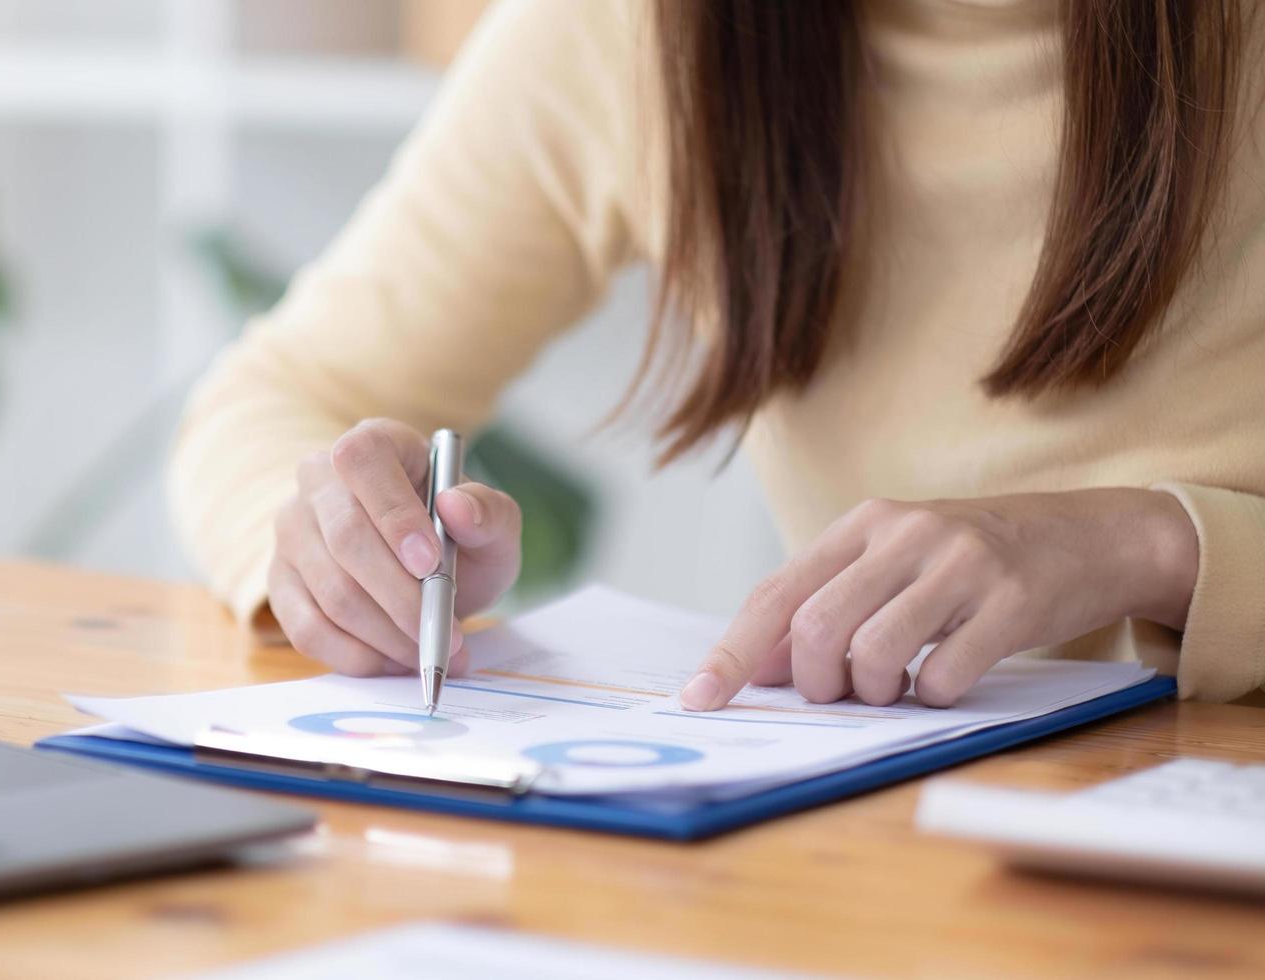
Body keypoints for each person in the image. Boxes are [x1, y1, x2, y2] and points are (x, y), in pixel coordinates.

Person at [168, 0, 1265, 709]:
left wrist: (1157, 545)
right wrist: (347, 547)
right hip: (888, 863)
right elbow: (279, 397)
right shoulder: (642, 32)